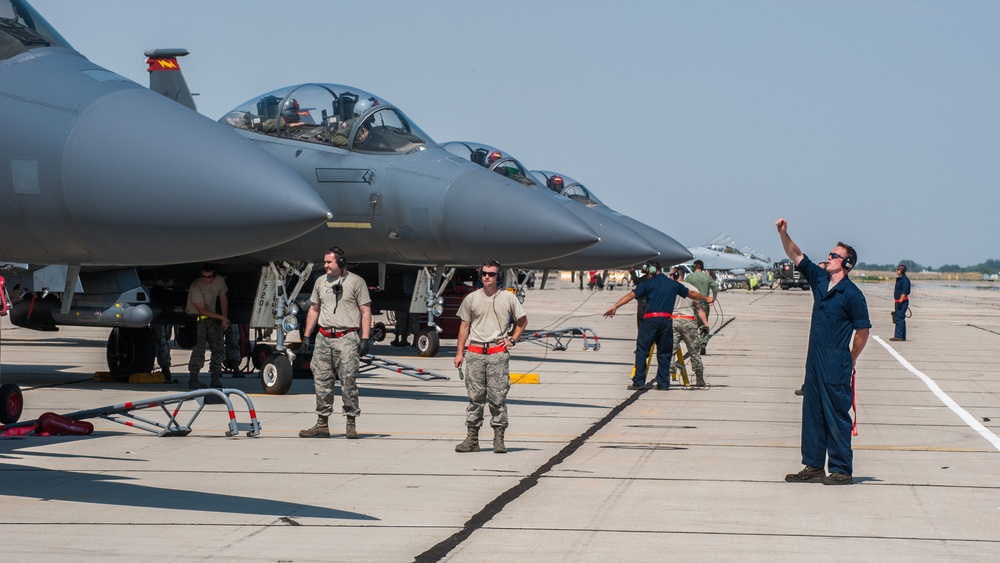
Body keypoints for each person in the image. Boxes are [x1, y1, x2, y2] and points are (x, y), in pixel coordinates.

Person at [776, 218, 870, 486]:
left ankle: (841, 469)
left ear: (846, 263)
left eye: (834, 255)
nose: (827, 258)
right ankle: (814, 466)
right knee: (813, 413)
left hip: (835, 362)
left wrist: (851, 358)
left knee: (836, 415)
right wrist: (783, 233)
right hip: (814, 362)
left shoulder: (852, 295)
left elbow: (863, 331)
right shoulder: (820, 280)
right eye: (829, 254)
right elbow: (796, 254)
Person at [453, 260, 527, 454]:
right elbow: (464, 327)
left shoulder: (508, 299)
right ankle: (472, 439)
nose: (487, 277)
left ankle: (499, 439)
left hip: (497, 355)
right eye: (485, 273)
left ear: (498, 277)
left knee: (497, 398)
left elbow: (522, 321)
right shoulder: (471, 299)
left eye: (491, 274)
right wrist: (460, 352)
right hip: (476, 353)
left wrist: (512, 339)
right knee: (475, 398)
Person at [299, 247, 372, 439]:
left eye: (329, 262)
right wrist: (307, 335)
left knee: (348, 381)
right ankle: (322, 424)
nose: (326, 266)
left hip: (346, 337)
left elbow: (365, 311)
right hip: (323, 337)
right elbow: (314, 308)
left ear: (341, 263)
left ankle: (351, 423)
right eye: (325, 262)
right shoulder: (320, 282)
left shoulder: (357, 282)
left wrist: (364, 338)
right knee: (322, 381)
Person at [604, 265, 714, 391]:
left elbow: (631, 295)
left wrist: (615, 306)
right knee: (665, 353)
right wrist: (706, 298)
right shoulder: (673, 284)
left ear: (651, 271)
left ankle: (639, 381)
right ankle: (663, 383)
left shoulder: (648, 284)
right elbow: (692, 294)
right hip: (666, 321)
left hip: (650, 321)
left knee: (642, 351)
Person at [185, 263, 230, 389]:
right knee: (199, 350)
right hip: (197, 319)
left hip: (213, 318)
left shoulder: (219, 281)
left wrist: (224, 318)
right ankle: (193, 379)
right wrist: (221, 317)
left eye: (209, 277)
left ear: (214, 276)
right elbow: (202, 310)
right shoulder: (196, 287)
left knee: (218, 348)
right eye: (203, 276)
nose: (206, 279)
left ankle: (215, 378)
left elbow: (223, 298)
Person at [669, 268, 711, 387]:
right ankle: (699, 378)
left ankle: (666, 377)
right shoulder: (693, 289)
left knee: (669, 351)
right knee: (694, 352)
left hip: (674, 321)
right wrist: (705, 324)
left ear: (676, 275)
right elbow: (699, 309)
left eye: (671, 274)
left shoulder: (671, 287)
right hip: (689, 322)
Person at [685, 260, 719, 353]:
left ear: (694, 266)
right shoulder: (707, 277)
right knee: (704, 324)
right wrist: (713, 300)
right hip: (704, 303)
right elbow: (715, 288)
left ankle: (694, 345)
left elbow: (683, 289)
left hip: (692, 304)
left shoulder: (689, 277)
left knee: (693, 325)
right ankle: (703, 342)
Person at [891, 264, 910, 342]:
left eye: (898, 269)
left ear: (902, 270)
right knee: (899, 317)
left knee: (899, 318)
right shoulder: (900, 279)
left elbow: (905, 291)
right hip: (898, 301)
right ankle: (902, 336)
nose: (896, 270)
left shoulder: (905, 280)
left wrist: (900, 301)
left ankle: (899, 336)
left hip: (902, 301)